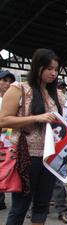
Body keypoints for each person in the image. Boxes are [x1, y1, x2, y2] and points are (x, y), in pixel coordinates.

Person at [0, 48, 66, 225]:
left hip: (49, 159)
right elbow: (4, 120)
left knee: (41, 202)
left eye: (56, 69)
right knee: (20, 204)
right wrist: (37, 117)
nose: (53, 73)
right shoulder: (19, 89)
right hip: (25, 157)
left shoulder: (55, 94)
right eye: (49, 68)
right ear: (37, 67)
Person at [52, 81, 67, 224]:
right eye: (58, 88)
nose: (60, 91)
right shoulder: (48, 103)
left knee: (63, 177)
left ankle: (63, 210)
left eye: (62, 89)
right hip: (51, 143)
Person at [0, 70, 16, 210]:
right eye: (4, 81)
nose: (7, 84)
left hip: (7, 142)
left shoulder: (14, 100)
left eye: (10, 81)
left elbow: (11, 125)